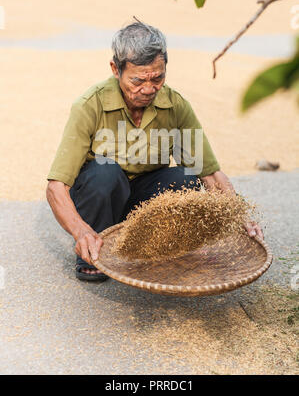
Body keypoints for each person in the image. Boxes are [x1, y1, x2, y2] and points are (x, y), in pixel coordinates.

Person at [46, 20, 263, 282]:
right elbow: (56, 187)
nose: (148, 89)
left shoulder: (175, 105)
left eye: (157, 78)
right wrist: (81, 232)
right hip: (101, 198)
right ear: (116, 69)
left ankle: (148, 244)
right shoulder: (89, 105)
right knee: (106, 173)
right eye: (137, 80)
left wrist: (239, 216)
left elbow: (209, 173)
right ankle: (94, 248)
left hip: (142, 203)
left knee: (188, 181)